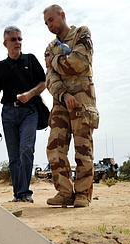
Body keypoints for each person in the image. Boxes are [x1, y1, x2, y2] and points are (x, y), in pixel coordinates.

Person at [43, 5, 99, 207]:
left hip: (83, 99)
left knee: (82, 147)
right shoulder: (50, 47)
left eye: (51, 19)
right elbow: (50, 79)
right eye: (46, 22)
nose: (49, 25)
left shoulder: (81, 33)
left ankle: (83, 194)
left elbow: (80, 62)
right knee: (54, 147)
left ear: (62, 15)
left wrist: (56, 61)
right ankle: (64, 192)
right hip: (61, 101)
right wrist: (64, 94)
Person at [0, 26, 46, 203]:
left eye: (20, 39)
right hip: (8, 114)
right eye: (13, 39)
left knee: (26, 149)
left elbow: (44, 82)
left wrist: (29, 94)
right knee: (13, 156)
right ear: (5, 43)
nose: (17, 42)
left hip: (30, 111)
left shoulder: (30, 59)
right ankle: (18, 194)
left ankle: (25, 192)